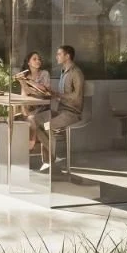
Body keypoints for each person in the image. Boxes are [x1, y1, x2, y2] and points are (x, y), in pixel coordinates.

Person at [35, 45, 86, 173]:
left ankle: (49, 162)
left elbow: (76, 96)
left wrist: (58, 95)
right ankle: (51, 159)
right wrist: (50, 93)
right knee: (36, 120)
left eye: (59, 54)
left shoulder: (76, 73)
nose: (56, 56)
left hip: (72, 113)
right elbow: (61, 95)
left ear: (67, 56)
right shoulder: (63, 72)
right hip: (61, 111)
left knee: (47, 126)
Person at [13, 50, 52, 158]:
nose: (38, 61)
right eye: (34, 59)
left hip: (43, 107)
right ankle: (17, 150)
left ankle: (30, 146)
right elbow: (25, 94)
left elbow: (44, 91)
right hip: (29, 107)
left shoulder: (44, 74)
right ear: (28, 62)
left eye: (39, 59)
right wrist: (22, 81)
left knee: (31, 120)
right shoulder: (26, 76)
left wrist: (27, 81)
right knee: (15, 117)